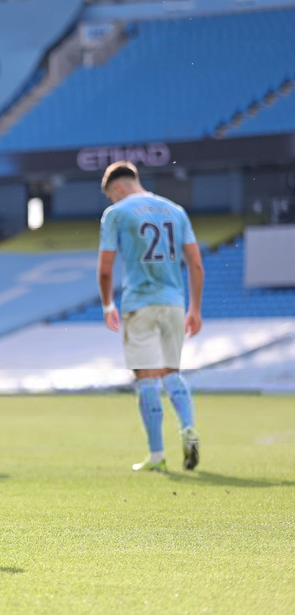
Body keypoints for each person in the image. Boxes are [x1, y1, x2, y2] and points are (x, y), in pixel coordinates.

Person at [98, 161, 204, 472]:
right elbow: (196, 264)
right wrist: (195, 309)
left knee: (146, 378)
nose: (112, 200)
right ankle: (188, 428)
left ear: (117, 188)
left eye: (110, 195)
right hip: (173, 304)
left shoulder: (116, 213)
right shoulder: (176, 211)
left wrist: (107, 305)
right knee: (171, 372)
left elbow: (105, 270)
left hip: (140, 303)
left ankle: (157, 455)